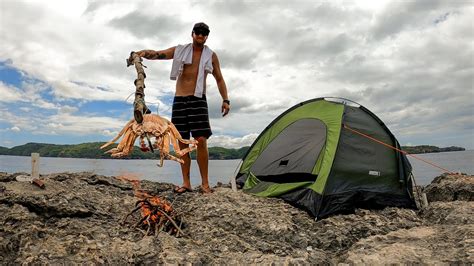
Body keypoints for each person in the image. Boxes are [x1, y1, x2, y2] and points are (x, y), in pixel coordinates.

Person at [134, 22, 230, 194]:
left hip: (198, 99)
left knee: (201, 140)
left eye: (204, 33)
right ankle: (186, 183)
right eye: (198, 32)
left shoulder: (211, 55)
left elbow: (219, 79)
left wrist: (226, 100)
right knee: (181, 141)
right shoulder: (180, 50)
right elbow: (159, 54)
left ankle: (205, 184)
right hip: (180, 100)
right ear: (192, 34)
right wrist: (143, 53)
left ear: (207, 36)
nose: (201, 35)